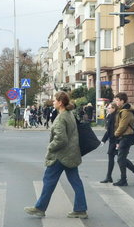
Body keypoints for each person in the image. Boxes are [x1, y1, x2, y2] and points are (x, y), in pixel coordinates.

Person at [24, 91, 87, 219]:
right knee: (76, 182)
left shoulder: (61, 117)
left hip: (60, 156)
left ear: (60, 102)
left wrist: (50, 147)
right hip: (71, 154)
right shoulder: (70, 114)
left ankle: (40, 208)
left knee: (49, 181)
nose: (53, 102)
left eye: (54, 100)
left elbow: (61, 139)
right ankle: (80, 209)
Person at [112, 92, 134, 186]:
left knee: (121, 159)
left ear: (122, 101)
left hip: (126, 137)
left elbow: (122, 126)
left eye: (117, 100)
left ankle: (124, 179)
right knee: (122, 158)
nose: (116, 102)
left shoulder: (126, 112)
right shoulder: (123, 110)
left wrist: (115, 135)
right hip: (125, 137)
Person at [99, 102, 119, 183]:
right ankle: (109, 177)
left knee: (121, 159)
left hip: (115, 140)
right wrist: (103, 140)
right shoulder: (110, 116)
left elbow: (116, 130)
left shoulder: (115, 117)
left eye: (110, 108)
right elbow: (109, 131)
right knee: (114, 158)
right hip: (112, 140)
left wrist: (117, 141)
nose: (108, 109)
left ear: (114, 109)